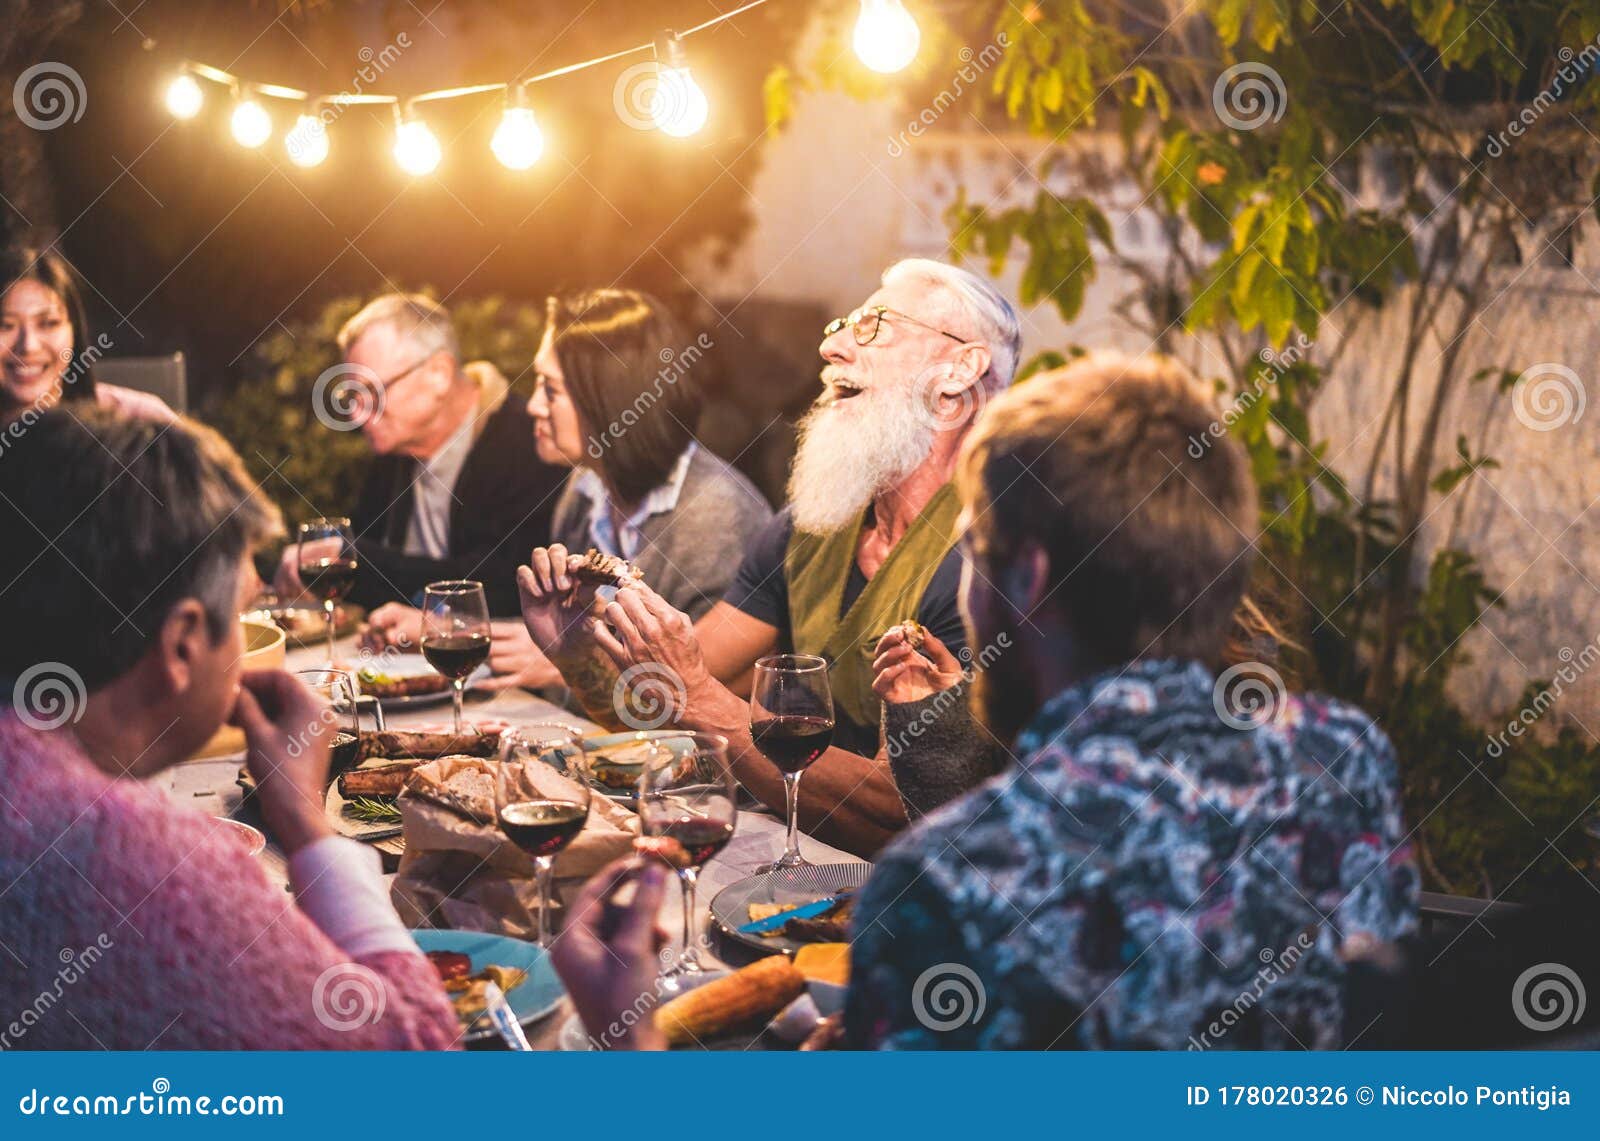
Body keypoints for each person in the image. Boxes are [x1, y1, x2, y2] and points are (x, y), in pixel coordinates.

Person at [553, 351, 1420, 1050]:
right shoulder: (1345, 753)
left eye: (973, 550)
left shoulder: (945, 880)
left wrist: (630, 1036)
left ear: (1028, 575)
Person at [518, 259, 1021, 852]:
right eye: (843, 323)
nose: (830, 344)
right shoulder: (809, 530)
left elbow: (902, 807)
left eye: (874, 325)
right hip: (786, 860)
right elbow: (658, 707)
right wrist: (577, 650)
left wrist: (703, 699)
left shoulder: (995, 560)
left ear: (960, 370)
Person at [0, 407, 459, 1049]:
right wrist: (306, 824)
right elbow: (414, 1060)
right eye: (244, 613)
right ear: (184, 644)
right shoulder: (144, 864)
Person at [363, 289, 771, 691]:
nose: (535, 406)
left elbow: (699, 695)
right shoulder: (585, 487)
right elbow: (568, 637)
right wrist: (449, 627)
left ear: (609, 399)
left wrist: (568, 668)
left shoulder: (714, 516)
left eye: (551, 389)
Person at [274, 292, 564, 615]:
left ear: (439, 374)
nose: (356, 415)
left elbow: (505, 585)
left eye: (372, 392)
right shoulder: (394, 452)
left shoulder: (529, 441)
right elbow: (371, 558)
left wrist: (354, 558)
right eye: (351, 395)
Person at [2, 245, 174, 427]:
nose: (29, 345)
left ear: (74, 329)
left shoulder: (140, 421)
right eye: (5, 325)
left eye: (48, 323)